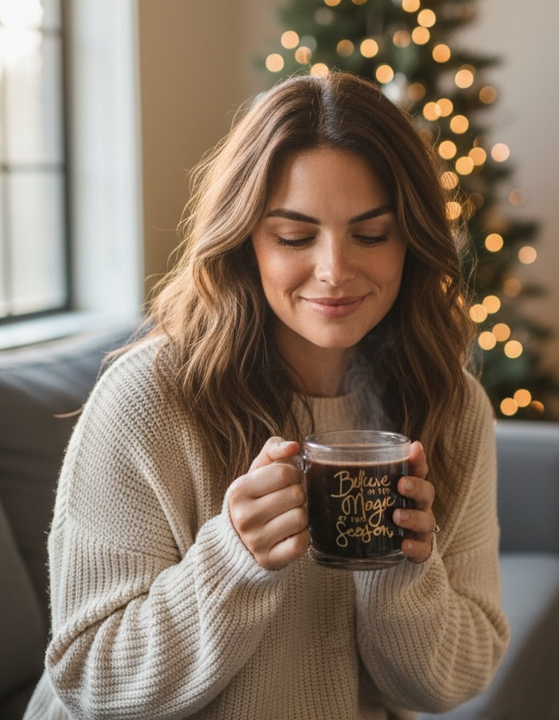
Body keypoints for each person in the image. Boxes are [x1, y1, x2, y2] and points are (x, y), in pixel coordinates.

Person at [25, 71, 509, 720]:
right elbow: (90, 681)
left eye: (371, 234)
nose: (335, 269)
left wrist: (399, 570)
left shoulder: (449, 408)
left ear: (412, 242)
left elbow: (454, 680)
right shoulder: (149, 400)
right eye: (294, 236)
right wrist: (232, 561)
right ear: (246, 238)